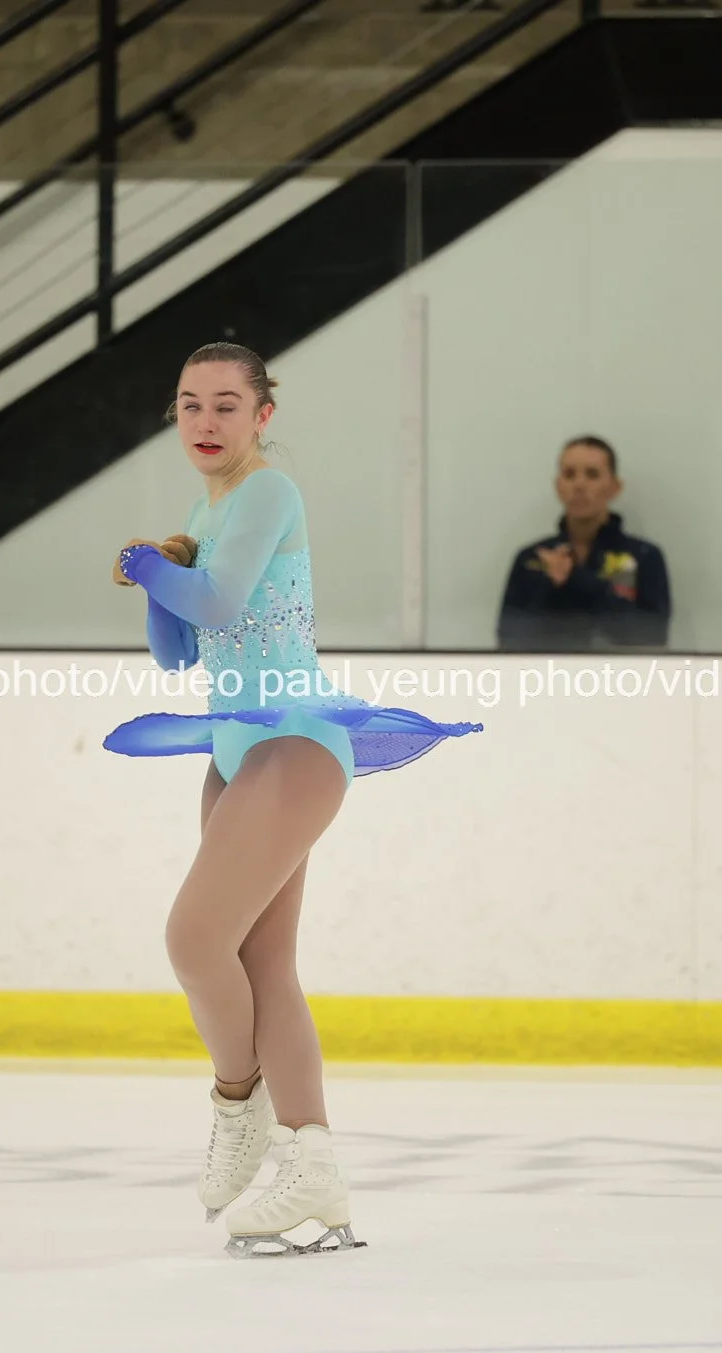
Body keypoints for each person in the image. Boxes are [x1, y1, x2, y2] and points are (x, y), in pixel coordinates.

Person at [103, 342, 480, 1258]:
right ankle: (314, 1164)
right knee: (263, 966)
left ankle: (240, 1102)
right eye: (190, 403)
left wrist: (152, 568)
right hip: (237, 744)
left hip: (296, 739)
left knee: (193, 938)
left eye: (226, 405)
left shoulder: (269, 491)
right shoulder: (209, 508)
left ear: (263, 414)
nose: (205, 421)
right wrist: (160, 579)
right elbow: (179, 652)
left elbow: (221, 603)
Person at [497, 435, 672, 651]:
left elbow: (653, 636)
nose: (579, 485)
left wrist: (576, 579)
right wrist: (551, 587)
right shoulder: (532, 559)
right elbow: (509, 639)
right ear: (558, 486)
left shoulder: (643, 556)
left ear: (615, 487)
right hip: (548, 672)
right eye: (569, 474)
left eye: (592, 474)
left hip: (619, 672)